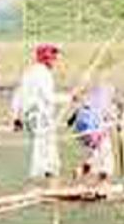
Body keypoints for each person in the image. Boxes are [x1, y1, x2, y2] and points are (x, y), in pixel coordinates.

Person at [12, 44, 63, 183]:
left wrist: (16, 118)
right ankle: (41, 186)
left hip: (30, 118)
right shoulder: (44, 74)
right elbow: (49, 98)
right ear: (46, 58)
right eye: (53, 57)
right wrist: (70, 97)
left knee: (43, 151)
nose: (55, 60)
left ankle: (49, 185)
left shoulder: (28, 73)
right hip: (41, 118)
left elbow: (18, 96)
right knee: (46, 154)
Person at [71, 84, 118, 188]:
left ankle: (81, 173)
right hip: (95, 132)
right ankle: (102, 183)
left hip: (84, 131)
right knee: (106, 156)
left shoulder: (89, 101)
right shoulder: (104, 102)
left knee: (96, 154)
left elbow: (74, 117)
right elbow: (111, 116)